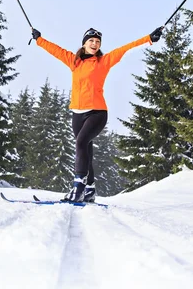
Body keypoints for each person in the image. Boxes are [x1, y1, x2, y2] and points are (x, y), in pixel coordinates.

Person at [31, 26, 164, 202]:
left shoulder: (104, 61)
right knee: (85, 150)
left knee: (80, 143)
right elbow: (56, 51)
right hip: (77, 113)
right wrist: (39, 40)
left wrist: (149, 39)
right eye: (91, 41)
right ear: (84, 43)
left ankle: (78, 187)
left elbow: (126, 48)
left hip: (97, 112)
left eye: (97, 42)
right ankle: (90, 190)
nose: (94, 44)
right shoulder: (74, 61)